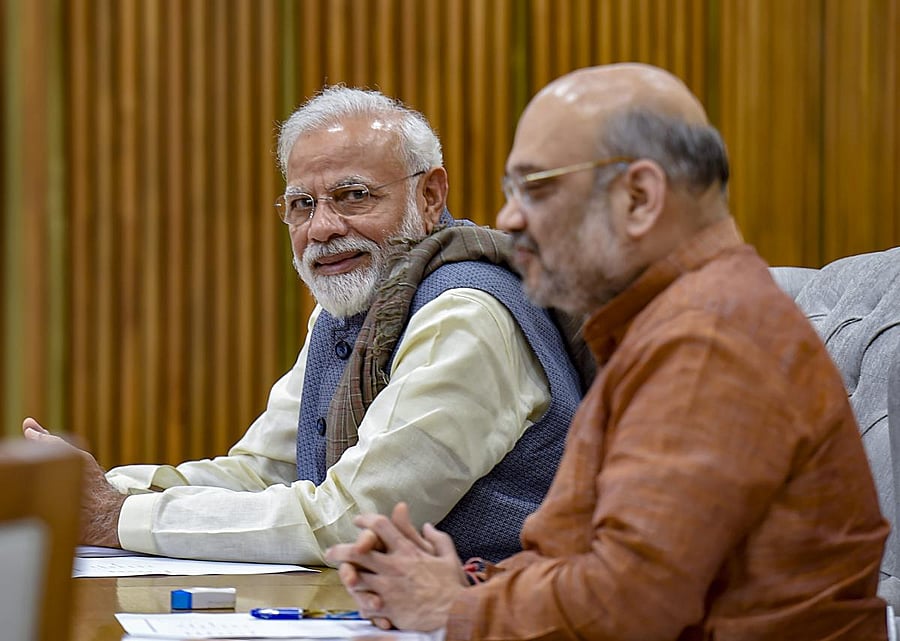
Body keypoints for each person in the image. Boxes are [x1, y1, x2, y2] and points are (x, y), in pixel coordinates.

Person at [326, 64, 891, 639]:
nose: (507, 219)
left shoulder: (707, 339)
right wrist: (462, 584)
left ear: (640, 198)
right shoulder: (665, 325)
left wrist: (453, 610)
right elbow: (590, 566)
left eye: (537, 188)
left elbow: (629, 605)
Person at [22, 87, 585, 565]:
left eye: (354, 196)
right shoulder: (354, 308)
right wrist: (94, 493)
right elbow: (263, 471)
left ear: (430, 194)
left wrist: (114, 518)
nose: (322, 228)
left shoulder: (464, 313)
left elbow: (352, 521)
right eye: (302, 204)